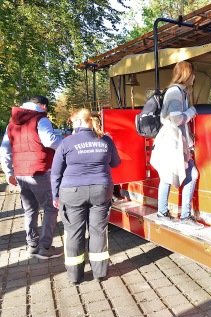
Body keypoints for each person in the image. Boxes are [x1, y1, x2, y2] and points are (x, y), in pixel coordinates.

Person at [50, 109, 121, 284]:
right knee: (98, 231)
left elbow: (55, 173)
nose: (72, 126)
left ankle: (75, 276)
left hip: (72, 192)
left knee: (74, 232)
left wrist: (55, 194)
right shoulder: (105, 140)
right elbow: (116, 163)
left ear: (80, 122)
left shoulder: (67, 143)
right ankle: (100, 273)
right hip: (101, 190)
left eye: (73, 122)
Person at [0, 95, 63, 259]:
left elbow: (4, 150)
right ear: (42, 106)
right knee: (51, 207)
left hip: (21, 173)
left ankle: (32, 244)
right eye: (47, 108)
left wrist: (9, 173)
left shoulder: (11, 125)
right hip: (40, 171)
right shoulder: (40, 120)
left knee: (30, 209)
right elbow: (49, 141)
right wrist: (67, 143)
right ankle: (45, 247)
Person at [150, 61, 203, 229]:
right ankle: (171, 214)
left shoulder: (179, 91)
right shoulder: (175, 92)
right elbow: (175, 118)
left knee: (184, 174)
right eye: (192, 74)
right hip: (171, 143)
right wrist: (191, 112)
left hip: (176, 142)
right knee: (171, 176)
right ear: (187, 74)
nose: (194, 78)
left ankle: (171, 214)